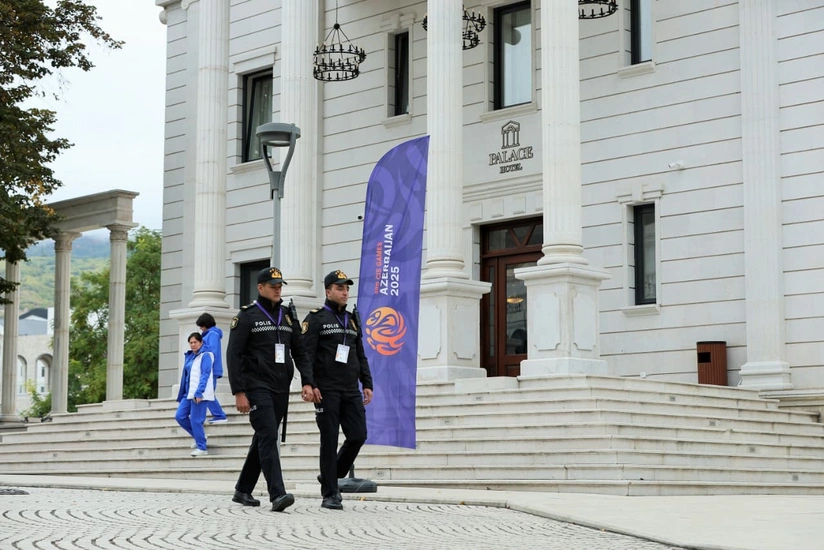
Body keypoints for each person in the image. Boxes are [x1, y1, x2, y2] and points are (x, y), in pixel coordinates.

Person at [226, 267, 316, 512]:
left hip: (280, 387)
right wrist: (239, 391)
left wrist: (308, 381)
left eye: (279, 286)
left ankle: (243, 489)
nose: (278, 289)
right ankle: (278, 494)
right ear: (260, 287)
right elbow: (234, 355)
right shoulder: (247, 316)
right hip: (256, 386)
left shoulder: (287, 316)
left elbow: (300, 352)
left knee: (263, 437)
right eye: (273, 286)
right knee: (268, 436)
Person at [302, 270, 373, 510]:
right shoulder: (316, 318)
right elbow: (306, 354)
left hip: (350, 389)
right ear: (328, 291)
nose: (345, 292)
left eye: (347, 288)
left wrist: (367, 383)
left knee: (358, 436)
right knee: (329, 439)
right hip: (326, 390)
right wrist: (310, 383)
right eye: (340, 288)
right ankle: (330, 494)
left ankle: (330, 475)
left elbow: (360, 353)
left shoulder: (352, 319)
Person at [175, 332, 215, 457]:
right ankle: (199, 436)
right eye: (191, 342)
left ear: (201, 342)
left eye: (195, 342)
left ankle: (202, 448)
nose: (193, 345)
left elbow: (205, 374)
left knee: (196, 420)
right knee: (180, 416)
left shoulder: (206, 355)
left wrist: (199, 392)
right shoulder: (191, 356)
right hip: (188, 393)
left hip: (199, 393)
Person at [196, 313, 228, 424]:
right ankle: (218, 415)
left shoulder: (212, 334)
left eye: (201, 326)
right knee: (207, 392)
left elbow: (212, 352)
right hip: (208, 368)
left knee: (207, 393)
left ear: (205, 324)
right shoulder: (209, 334)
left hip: (210, 368)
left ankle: (219, 415)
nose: (200, 328)